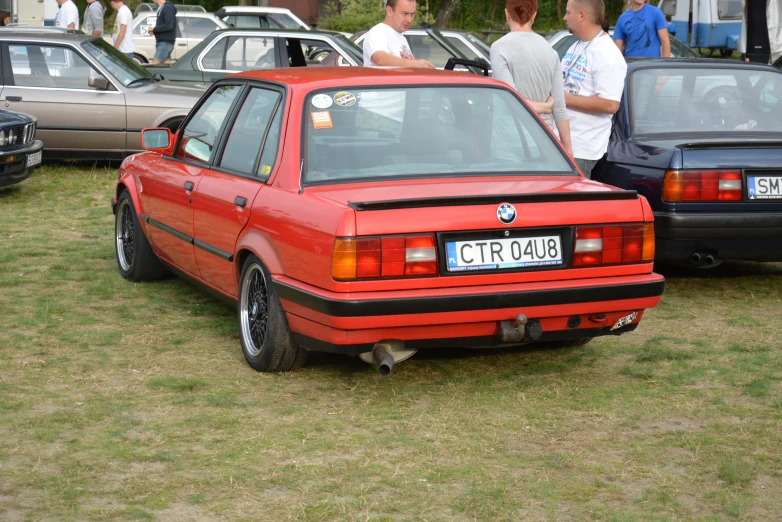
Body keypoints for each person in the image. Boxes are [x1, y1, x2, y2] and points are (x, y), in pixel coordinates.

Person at [491, 0, 573, 157]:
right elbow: (560, 108)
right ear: (534, 16)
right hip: (544, 141)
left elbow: (512, 101)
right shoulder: (550, 51)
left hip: (508, 144)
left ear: (507, 14)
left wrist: (546, 106)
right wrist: (568, 149)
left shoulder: (499, 48)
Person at [561, 0, 627, 178]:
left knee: (571, 204)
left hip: (581, 149)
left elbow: (610, 104)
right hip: (563, 143)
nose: (564, 17)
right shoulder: (577, 45)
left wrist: (561, 98)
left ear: (582, 15)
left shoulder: (607, 54)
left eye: (568, 12)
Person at [363, 0, 435, 68]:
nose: (409, 20)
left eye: (412, 14)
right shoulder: (378, 32)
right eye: (405, 14)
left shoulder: (401, 38)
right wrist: (414, 64)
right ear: (389, 11)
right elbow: (380, 58)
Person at [148, 0, 177, 64]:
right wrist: (155, 31)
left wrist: (154, 29)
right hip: (164, 42)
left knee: (155, 64)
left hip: (165, 43)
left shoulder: (167, 7)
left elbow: (169, 25)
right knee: (166, 66)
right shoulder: (163, 7)